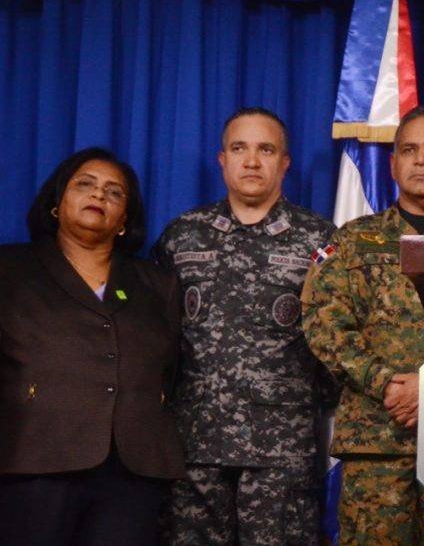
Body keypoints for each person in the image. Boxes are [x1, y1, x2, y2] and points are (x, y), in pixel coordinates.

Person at [302, 105, 424, 546]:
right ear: (393, 163)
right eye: (410, 150)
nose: (421, 160)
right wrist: (387, 383)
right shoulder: (351, 240)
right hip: (376, 440)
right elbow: (324, 325)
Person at [155, 108, 335, 545]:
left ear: (285, 163)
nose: (252, 161)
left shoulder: (320, 239)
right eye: (240, 148)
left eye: (265, 149)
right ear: (222, 159)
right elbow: (155, 338)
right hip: (194, 446)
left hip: (281, 452)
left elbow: (336, 337)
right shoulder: (183, 236)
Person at [0, 147, 185, 546]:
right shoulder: (10, 270)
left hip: (132, 475)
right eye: (85, 184)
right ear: (56, 203)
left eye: (114, 192)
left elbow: (173, 373)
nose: (98, 195)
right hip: (34, 465)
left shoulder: (158, 284)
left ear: (124, 221)